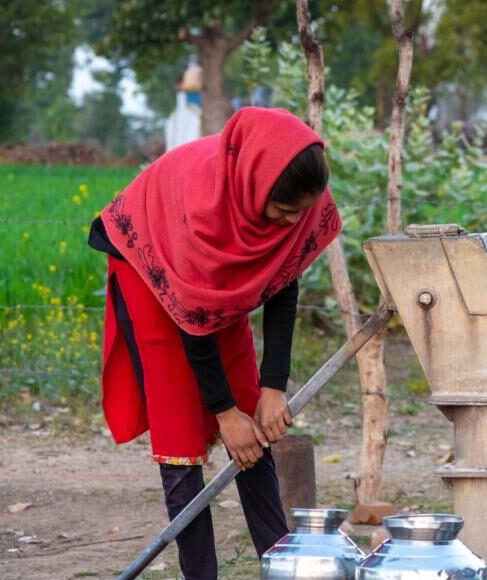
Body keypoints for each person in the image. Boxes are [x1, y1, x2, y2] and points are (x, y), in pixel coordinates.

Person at [88, 107, 341, 579]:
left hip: (202, 274)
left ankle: (278, 564)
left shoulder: (294, 207)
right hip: (149, 260)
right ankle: (199, 574)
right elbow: (192, 323)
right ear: (254, 188)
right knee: (180, 417)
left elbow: (282, 288)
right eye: (283, 211)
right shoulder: (204, 210)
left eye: (299, 213)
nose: (290, 223)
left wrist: (273, 387)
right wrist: (225, 415)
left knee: (254, 419)